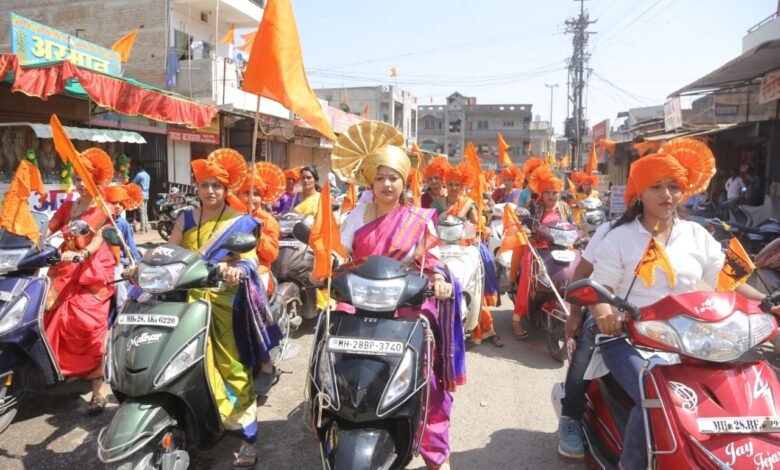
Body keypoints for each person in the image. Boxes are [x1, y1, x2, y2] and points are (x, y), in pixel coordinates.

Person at [588, 139, 779, 469]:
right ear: (639, 193)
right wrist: (606, 315)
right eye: (656, 186)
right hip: (629, 338)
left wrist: (766, 302)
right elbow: (600, 292)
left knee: (744, 390)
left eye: (674, 186)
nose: (667, 194)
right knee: (653, 398)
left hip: (693, 338)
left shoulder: (696, 234)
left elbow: (727, 278)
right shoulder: (618, 237)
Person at [332, 121, 466, 470]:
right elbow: (341, 255)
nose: (387, 184)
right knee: (332, 346)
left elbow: (431, 260)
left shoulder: (417, 219)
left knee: (426, 374)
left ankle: (436, 451)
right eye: (380, 177)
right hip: (361, 301)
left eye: (393, 177)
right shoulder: (356, 216)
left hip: (404, 304)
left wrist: (439, 279)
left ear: (404, 183)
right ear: (371, 182)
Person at [166, 148, 282, 468]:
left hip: (225, 302)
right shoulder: (185, 218)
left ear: (226, 188)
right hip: (188, 301)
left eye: (216, 185)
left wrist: (236, 269)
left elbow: (250, 260)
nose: (211, 191)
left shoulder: (240, 221)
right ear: (197, 187)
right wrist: (146, 265)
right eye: (205, 185)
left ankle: (247, 437)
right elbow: (170, 251)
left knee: (232, 368)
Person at [44, 148, 117, 413]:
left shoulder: (104, 208)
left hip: (92, 273)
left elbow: (98, 238)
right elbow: (48, 228)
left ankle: (99, 390)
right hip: (63, 271)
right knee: (55, 322)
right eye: (77, 179)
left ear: (97, 182)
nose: (81, 185)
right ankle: (63, 372)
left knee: (89, 328)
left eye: (87, 180)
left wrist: (83, 253)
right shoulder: (68, 206)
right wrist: (35, 240)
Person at [557, 218, 615, 458]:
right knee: (589, 344)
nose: (666, 199)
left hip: (666, 325)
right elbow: (581, 273)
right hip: (609, 314)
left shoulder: (691, 234)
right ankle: (570, 417)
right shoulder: (611, 230)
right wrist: (575, 314)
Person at [434, 164, 504, 347]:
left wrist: (479, 227)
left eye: (457, 184)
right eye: (450, 184)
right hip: (441, 247)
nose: (453, 188)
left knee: (475, 286)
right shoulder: (438, 203)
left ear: (462, 185)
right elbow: (430, 223)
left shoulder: (468, 203)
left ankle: (487, 330)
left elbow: (477, 224)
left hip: (463, 248)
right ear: (446, 184)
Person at [511, 166, 573, 339]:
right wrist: (525, 228)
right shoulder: (534, 206)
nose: (551, 196)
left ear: (560, 193)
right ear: (542, 193)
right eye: (547, 192)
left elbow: (573, 226)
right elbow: (524, 222)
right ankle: (516, 319)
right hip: (537, 248)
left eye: (554, 192)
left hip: (562, 249)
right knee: (528, 275)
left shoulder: (565, 208)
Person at [101, 183, 143, 315]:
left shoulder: (123, 224)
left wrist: (136, 263)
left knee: (119, 286)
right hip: (100, 263)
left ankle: (122, 315)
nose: (118, 206)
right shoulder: (101, 221)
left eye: (120, 203)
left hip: (117, 263)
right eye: (114, 203)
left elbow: (130, 245)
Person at [236, 162, 283, 272]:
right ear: (238, 195)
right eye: (246, 193)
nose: (251, 198)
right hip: (232, 269)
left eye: (256, 194)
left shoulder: (269, 221)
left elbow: (272, 256)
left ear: (262, 198)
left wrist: (258, 234)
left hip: (259, 271)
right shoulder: (231, 217)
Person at [131, 163, 151, 233]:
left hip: (140, 194)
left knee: (141, 212)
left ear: (140, 167)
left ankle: (142, 229)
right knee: (145, 212)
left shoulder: (139, 175)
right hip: (147, 194)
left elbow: (133, 183)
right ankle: (146, 228)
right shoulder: (147, 175)